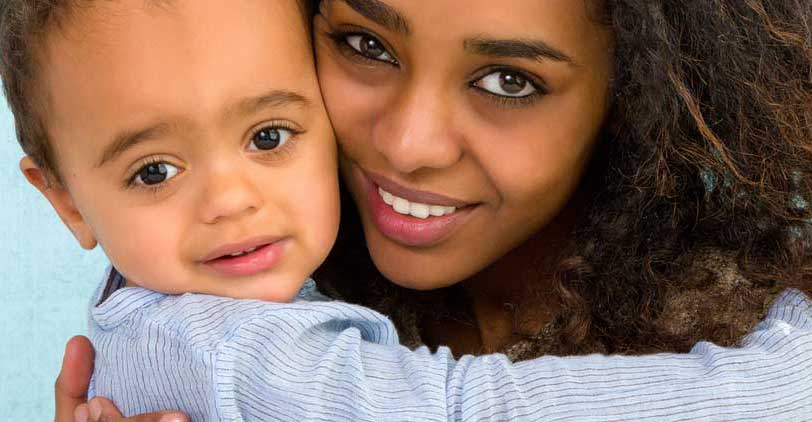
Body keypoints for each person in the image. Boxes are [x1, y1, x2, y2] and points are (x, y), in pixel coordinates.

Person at [47, 0, 812, 420]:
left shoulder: (732, 304)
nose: (409, 146)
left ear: (635, 92)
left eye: (509, 81)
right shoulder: (231, 297)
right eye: (365, 44)